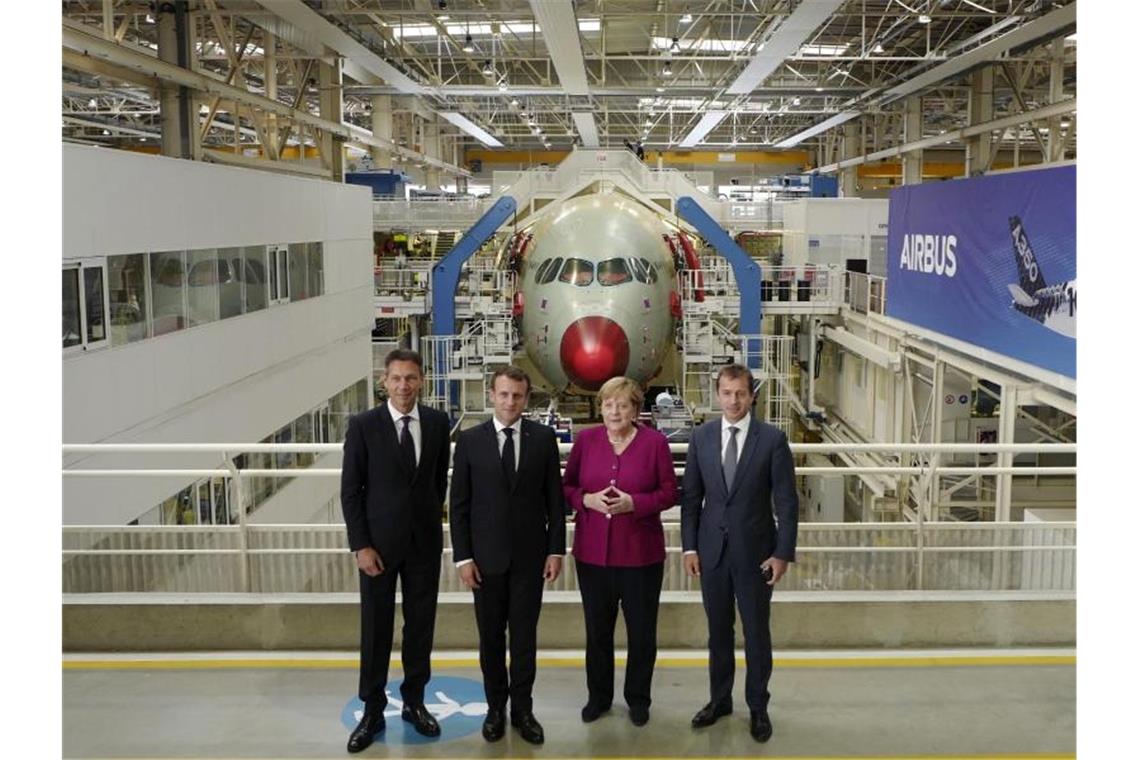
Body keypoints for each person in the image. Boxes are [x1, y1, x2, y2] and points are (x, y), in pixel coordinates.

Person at [340, 348, 452, 753]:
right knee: (376, 630)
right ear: (383, 382)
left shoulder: (439, 424)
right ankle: (371, 709)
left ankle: (415, 702)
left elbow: (437, 482)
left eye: (411, 378)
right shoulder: (363, 426)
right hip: (378, 549)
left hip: (423, 544)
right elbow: (351, 492)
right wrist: (362, 545)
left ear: (422, 381)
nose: (404, 386)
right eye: (396, 379)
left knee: (420, 628)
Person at [681, 364, 798, 743]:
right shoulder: (701, 438)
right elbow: (691, 500)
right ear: (718, 394)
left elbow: (786, 502)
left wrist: (782, 554)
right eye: (727, 393)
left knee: (756, 634)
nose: (733, 400)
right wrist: (689, 546)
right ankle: (719, 700)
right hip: (712, 553)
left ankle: (758, 706)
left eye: (741, 394)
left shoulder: (772, 440)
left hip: (756, 556)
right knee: (718, 634)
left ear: (752, 396)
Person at [449, 366, 566, 745]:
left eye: (517, 395)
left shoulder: (543, 439)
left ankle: (523, 710)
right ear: (491, 396)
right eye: (503, 394)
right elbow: (459, 505)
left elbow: (554, 501)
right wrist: (463, 557)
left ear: (526, 398)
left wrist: (555, 551)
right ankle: (494, 708)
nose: (510, 402)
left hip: (531, 560)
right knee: (491, 639)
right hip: (484, 562)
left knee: (525, 639)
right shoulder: (469, 441)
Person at [562, 376, 678, 727]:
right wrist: (586, 500)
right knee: (597, 632)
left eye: (623, 404)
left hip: (641, 557)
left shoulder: (655, 443)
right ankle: (598, 697)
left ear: (636, 409)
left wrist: (635, 504)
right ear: (601, 406)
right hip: (593, 556)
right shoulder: (586, 440)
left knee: (642, 634)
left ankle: (638, 699)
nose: (614, 411)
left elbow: (670, 492)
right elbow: (567, 487)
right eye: (609, 404)